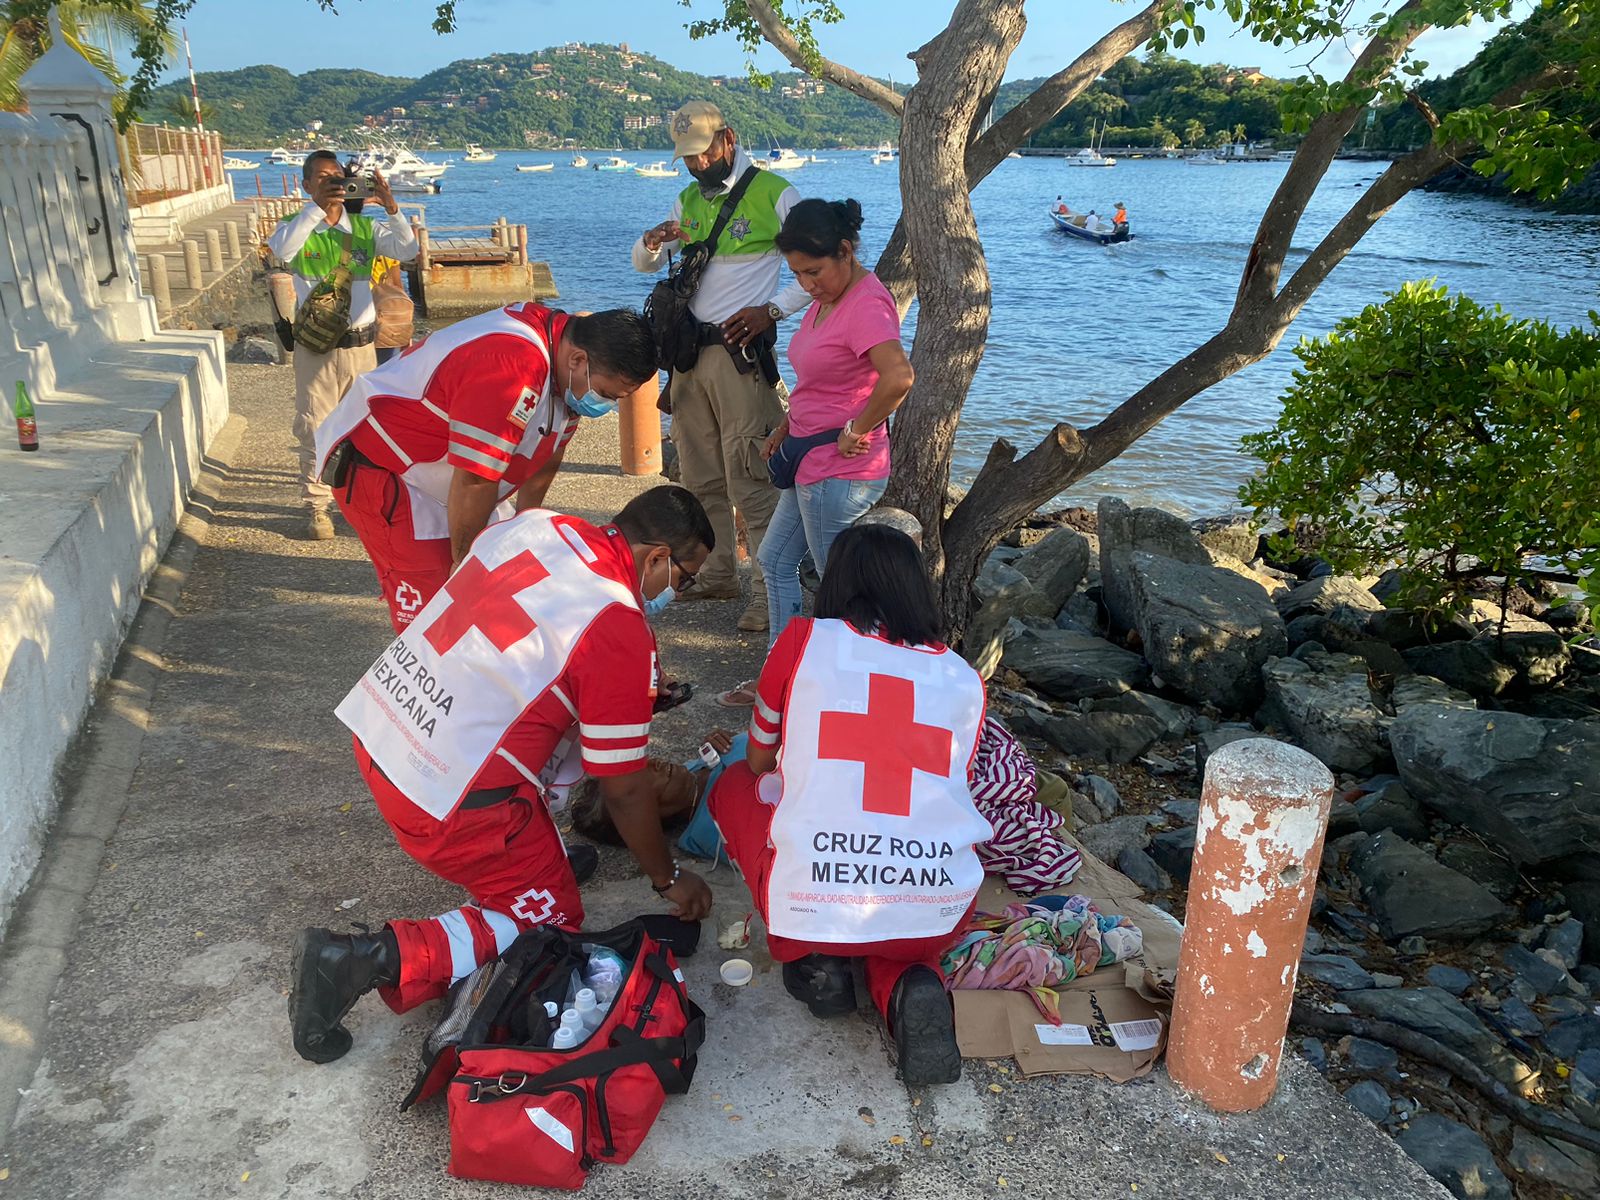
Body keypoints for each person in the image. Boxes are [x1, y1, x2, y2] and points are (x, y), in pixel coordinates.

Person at [288, 485, 717, 1064]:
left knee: (539, 827)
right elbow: (623, 787)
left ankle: (539, 863)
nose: (678, 593)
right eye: (685, 579)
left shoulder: (535, 526)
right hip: (449, 802)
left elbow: (522, 658)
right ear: (658, 557)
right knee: (550, 926)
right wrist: (668, 880)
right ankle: (368, 957)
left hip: (385, 732)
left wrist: (625, 693)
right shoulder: (617, 622)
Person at [707, 523, 991, 1086]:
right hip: (939, 904)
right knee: (902, 937)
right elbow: (957, 780)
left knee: (732, 782)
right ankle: (908, 985)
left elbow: (763, 761)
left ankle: (820, 960)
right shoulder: (963, 676)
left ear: (836, 582)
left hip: (813, 898)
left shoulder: (803, 640)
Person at [313, 305, 658, 633]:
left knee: (498, 593)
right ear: (578, 359)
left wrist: (525, 525)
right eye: (605, 393)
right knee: (437, 612)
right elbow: (475, 479)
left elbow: (549, 451)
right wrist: (463, 562)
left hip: (446, 480)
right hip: (387, 470)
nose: (605, 405)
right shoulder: (510, 365)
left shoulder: (566, 364)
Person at [633, 100, 810, 634]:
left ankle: (767, 593)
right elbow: (645, 264)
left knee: (752, 477)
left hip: (739, 358)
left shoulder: (776, 193)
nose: (695, 164)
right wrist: (649, 243)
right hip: (688, 360)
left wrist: (771, 310)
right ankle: (716, 574)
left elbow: (816, 269)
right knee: (699, 473)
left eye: (704, 151)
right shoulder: (686, 198)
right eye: (687, 156)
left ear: (728, 139)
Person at [752, 199, 912, 659]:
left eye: (813, 271)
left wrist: (857, 429)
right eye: (796, 274)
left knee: (839, 591)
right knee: (775, 560)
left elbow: (899, 377)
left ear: (845, 250)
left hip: (838, 472)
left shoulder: (866, 303)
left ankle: (847, 681)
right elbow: (825, 378)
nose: (805, 284)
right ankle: (779, 671)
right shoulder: (829, 296)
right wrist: (787, 425)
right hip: (808, 457)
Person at [268, 150, 417, 541]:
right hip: (316, 348)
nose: (331, 183)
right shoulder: (295, 226)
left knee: (365, 428)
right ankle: (318, 508)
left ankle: (361, 504)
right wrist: (316, 210)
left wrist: (391, 206)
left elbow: (407, 250)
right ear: (306, 185)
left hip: (362, 348)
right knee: (313, 427)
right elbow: (282, 251)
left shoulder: (365, 231)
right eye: (321, 178)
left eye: (337, 177)